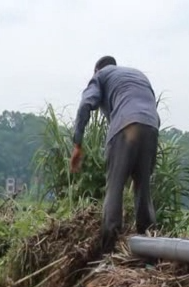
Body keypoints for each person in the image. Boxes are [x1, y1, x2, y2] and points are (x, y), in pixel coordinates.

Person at [70, 55, 161, 255]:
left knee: (115, 187)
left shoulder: (101, 75)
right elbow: (152, 109)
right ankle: (150, 248)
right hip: (151, 126)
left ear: (96, 70)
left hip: (125, 125)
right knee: (143, 188)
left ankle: (108, 248)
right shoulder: (138, 76)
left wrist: (77, 143)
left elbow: (86, 104)